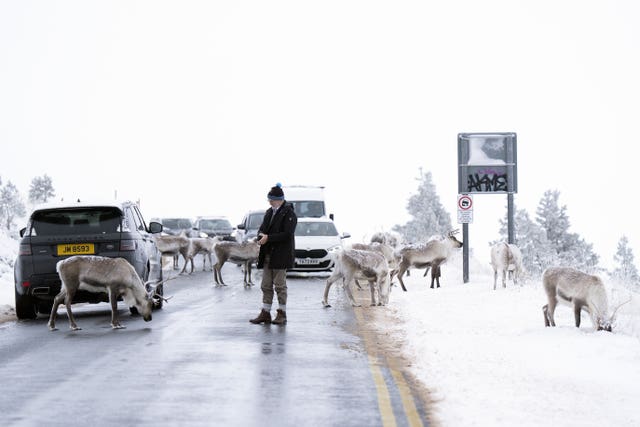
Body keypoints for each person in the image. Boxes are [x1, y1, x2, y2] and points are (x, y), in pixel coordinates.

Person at [250, 183, 298, 325]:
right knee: (265, 285)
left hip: (281, 255)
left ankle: (282, 314)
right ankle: (265, 313)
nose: (270, 202)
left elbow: (288, 234)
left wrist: (269, 238)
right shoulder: (269, 212)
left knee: (279, 286)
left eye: (272, 199)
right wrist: (260, 237)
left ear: (279, 199)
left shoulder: (289, 213)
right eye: (269, 200)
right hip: (268, 255)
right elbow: (262, 229)